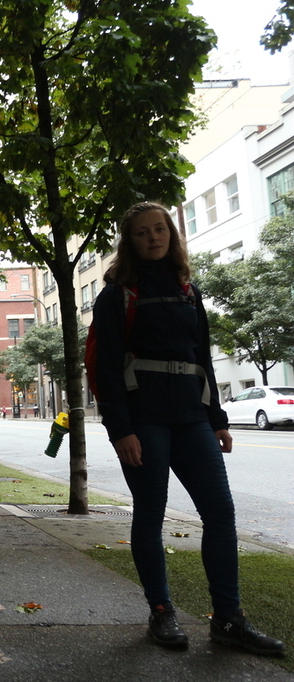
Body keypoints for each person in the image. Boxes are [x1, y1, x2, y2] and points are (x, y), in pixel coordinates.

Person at [91, 201, 284, 655]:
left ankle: (229, 620)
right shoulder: (116, 295)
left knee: (220, 512)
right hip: (144, 420)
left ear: (172, 236)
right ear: (129, 241)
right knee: (151, 514)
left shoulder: (188, 291)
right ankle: (161, 612)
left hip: (192, 418)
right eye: (142, 232)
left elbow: (202, 359)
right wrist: (121, 430)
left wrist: (217, 419)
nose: (153, 238)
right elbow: (106, 371)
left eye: (160, 230)